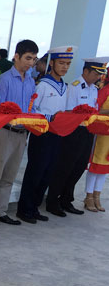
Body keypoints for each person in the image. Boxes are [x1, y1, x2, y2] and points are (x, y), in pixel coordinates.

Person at [0, 39, 38, 229]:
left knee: (9, 175)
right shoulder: (3, 80)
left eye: (34, 59)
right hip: (3, 132)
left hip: (21, 134)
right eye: (28, 58)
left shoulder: (30, 81)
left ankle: (0, 211)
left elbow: (31, 107)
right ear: (16, 56)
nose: (30, 63)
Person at [15, 46, 73, 224]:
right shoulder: (42, 85)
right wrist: (50, 117)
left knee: (48, 172)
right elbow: (32, 109)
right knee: (36, 171)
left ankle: (34, 207)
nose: (64, 67)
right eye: (61, 63)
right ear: (52, 63)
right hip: (42, 133)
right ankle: (24, 208)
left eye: (68, 64)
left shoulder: (64, 85)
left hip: (57, 134)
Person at [46, 57, 106, 217]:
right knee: (65, 167)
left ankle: (67, 200)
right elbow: (69, 112)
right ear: (85, 71)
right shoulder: (75, 87)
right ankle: (53, 201)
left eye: (100, 75)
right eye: (95, 74)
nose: (97, 77)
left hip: (88, 131)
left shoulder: (94, 89)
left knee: (79, 167)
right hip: (74, 131)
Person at [85, 59, 109, 212]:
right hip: (101, 132)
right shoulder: (105, 90)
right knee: (95, 165)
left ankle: (97, 196)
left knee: (105, 168)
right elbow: (95, 110)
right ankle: (88, 197)